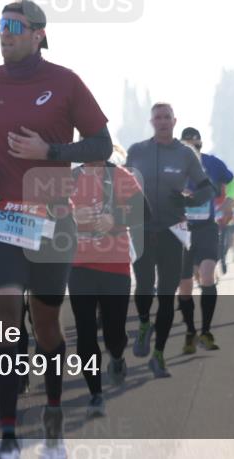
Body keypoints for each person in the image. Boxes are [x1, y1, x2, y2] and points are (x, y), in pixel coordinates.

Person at [0, 0, 111, 459]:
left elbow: (102, 143)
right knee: (6, 319)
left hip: (52, 223)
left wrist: (49, 152)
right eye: (0, 26)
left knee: (46, 326)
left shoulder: (65, 82)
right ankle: (8, 436)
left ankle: (53, 416)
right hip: (2, 218)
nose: (3, 34)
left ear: (38, 34)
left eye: (13, 27)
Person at [124, 104, 214, 378]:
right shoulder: (137, 150)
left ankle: (159, 355)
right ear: (151, 121)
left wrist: (190, 199)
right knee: (143, 287)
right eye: (158, 117)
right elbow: (122, 184)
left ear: (174, 121)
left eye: (167, 118)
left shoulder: (186, 154)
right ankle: (142, 324)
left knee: (166, 293)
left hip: (173, 231)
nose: (162, 122)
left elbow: (206, 188)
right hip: (141, 229)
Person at [67, 144, 147, 418]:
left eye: (95, 143)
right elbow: (49, 216)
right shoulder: (71, 178)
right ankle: (95, 394)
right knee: (85, 332)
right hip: (79, 266)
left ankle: (117, 355)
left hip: (115, 266)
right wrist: (71, 216)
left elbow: (143, 212)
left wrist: (115, 218)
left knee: (114, 333)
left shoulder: (122, 176)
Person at [175, 127, 234, 354]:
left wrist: (230, 201)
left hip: (207, 228)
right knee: (185, 286)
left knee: (208, 275)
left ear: (201, 144)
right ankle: (190, 332)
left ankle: (206, 332)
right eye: (188, 146)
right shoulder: (173, 167)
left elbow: (232, 181)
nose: (194, 150)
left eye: (197, 145)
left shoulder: (212, 163)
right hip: (181, 230)